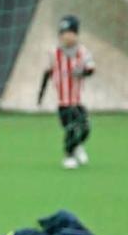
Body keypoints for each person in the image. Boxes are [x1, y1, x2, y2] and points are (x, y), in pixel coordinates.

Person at [37, 14, 95, 168]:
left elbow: (91, 69)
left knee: (86, 128)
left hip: (77, 101)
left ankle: (77, 146)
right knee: (70, 128)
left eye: (70, 33)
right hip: (63, 103)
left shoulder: (82, 52)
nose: (66, 37)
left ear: (76, 34)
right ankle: (68, 155)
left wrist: (81, 73)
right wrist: (40, 95)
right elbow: (47, 73)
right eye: (63, 33)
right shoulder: (54, 53)